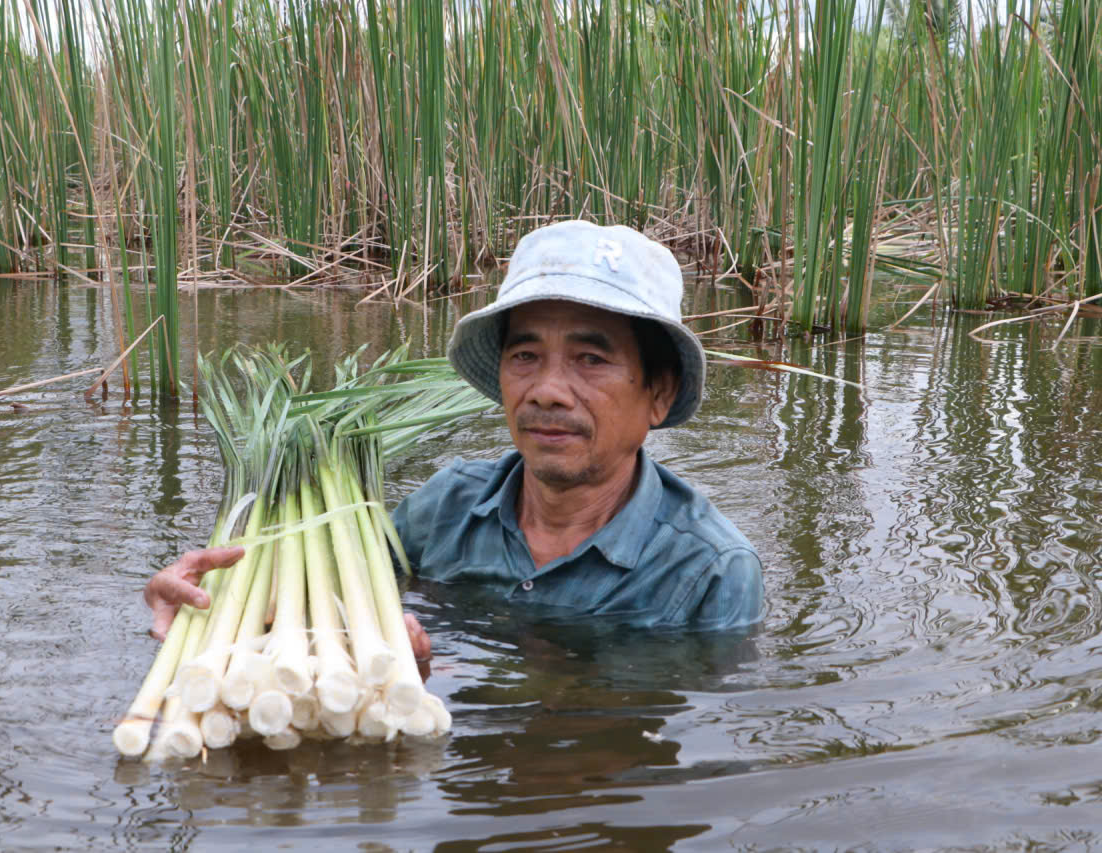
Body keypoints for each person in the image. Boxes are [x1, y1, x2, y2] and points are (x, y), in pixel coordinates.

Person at [145, 221, 764, 665]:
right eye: (525, 355)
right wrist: (207, 597)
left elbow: (683, 716)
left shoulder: (710, 574)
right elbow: (315, 589)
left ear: (658, 393)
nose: (547, 390)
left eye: (590, 359)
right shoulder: (443, 509)